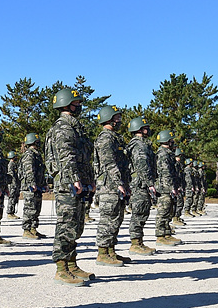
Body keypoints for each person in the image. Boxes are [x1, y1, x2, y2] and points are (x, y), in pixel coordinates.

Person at [45, 88, 95, 285]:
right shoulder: (64, 128)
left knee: (76, 225)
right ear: (66, 104)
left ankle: (72, 263)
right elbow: (66, 156)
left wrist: (89, 179)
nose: (79, 106)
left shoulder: (75, 127)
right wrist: (75, 179)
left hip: (79, 183)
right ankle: (61, 267)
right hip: (68, 184)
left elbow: (85, 159)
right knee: (66, 225)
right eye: (76, 103)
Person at [92, 105, 131, 266]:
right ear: (109, 119)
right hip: (109, 185)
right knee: (108, 219)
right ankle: (102, 253)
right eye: (117, 118)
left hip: (116, 184)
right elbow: (109, 162)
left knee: (117, 218)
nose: (119, 121)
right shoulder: (105, 138)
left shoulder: (115, 137)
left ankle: (111, 250)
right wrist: (118, 182)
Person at [126, 116, 157, 255]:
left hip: (141, 183)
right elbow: (142, 165)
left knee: (143, 212)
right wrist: (150, 183)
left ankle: (139, 242)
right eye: (145, 128)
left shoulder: (142, 144)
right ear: (138, 129)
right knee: (139, 213)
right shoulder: (139, 145)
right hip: (140, 184)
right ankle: (135, 244)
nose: (147, 130)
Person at [154, 130, 181, 246]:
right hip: (164, 188)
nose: (172, 142)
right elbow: (165, 173)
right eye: (171, 140)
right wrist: (171, 187)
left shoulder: (168, 153)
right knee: (163, 212)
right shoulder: (163, 154)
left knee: (169, 211)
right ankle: (160, 236)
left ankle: (166, 233)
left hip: (168, 187)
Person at [20, 133, 47, 239]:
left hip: (37, 186)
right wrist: (32, 183)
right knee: (30, 208)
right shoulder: (29, 154)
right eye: (37, 141)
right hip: (30, 187)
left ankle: (33, 228)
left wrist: (44, 184)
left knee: (36, 208)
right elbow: (29, 170)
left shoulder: (37, 154)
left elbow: (41, 171)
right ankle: (26, 230)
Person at [6, 150, 21, 219]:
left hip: (15, 184)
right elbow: (11, 175)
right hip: (12, 184)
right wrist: (14, 183)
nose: (16, 158)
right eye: (15, 157)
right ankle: (10, 213)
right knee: (11, 198)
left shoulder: (14, 164)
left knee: (15, 198)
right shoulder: (10, 164)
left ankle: (12, 212)